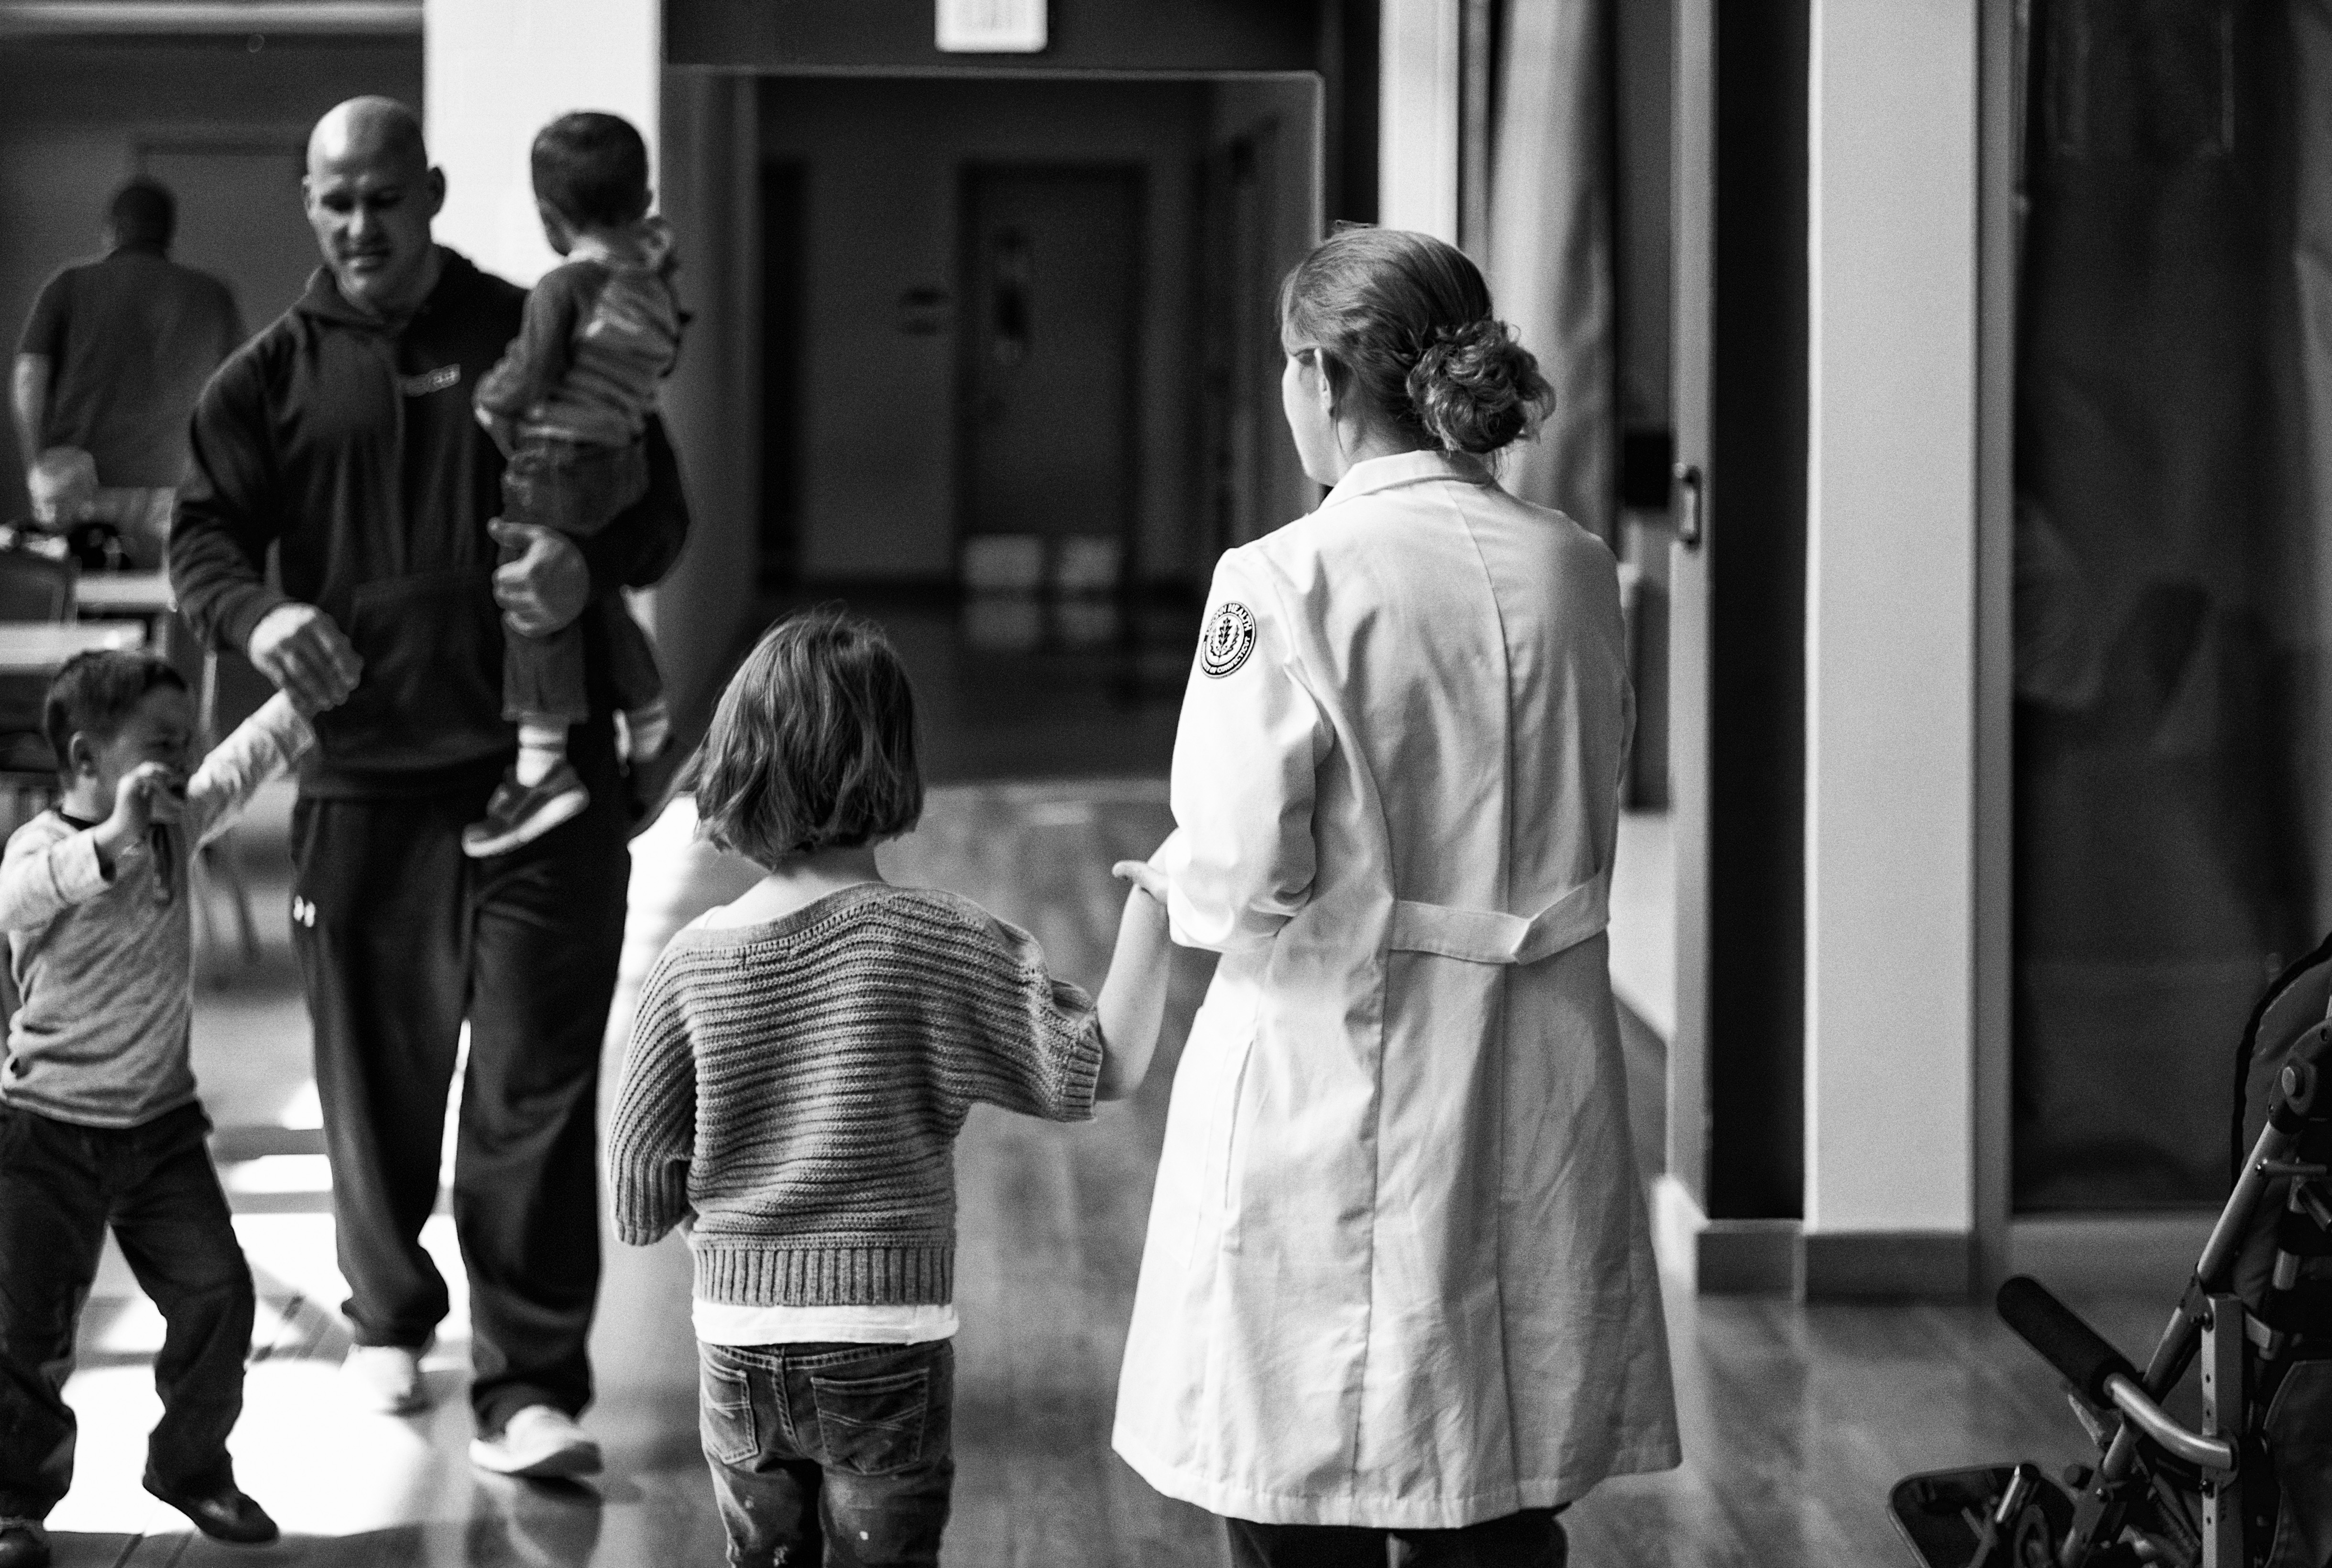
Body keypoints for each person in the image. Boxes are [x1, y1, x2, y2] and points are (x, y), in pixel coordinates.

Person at [1111, 227, 1682, 1567]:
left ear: (1318, 374)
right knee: (1497, 1452)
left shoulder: (1280, 581)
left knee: (1293, 1465)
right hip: (1534, 1048)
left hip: (1334, 1042)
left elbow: (1250, 864)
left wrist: (1166, 888)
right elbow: (1589, 792)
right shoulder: (1573, 564)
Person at [167, 96, 690, 1479]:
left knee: (530, 1091)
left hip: (543, 787)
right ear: (307, 202)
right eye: (334, 200)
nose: (360, 225)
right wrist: (254, 617)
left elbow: (656, 508)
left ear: (434, 191)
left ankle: (528, 1385)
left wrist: (592, 566)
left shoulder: (534, 329)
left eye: (384, 197)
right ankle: (390, 1311)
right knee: (376, 1084)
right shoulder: (268, 378)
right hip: (363, 786)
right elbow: (203, 533)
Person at [608, 609, 1171, 1568]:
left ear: (738, 762)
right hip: (885, 1340)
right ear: (893, 764)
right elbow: (1101, 1062)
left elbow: (636, 1200)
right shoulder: (935, 939)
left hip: (737, 1343)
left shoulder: (686, 966)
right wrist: (1155, 904)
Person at [0, 652, 317, 1568]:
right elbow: (19, 896)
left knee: (217, 1293)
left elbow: (244, 764)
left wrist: (305, 699)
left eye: (186, 742)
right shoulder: (42, 847)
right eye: (160, 747)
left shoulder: (180, 824)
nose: (182, 762)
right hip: (45, 1131)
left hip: (160, 1129)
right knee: (28, 1336)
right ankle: (15, 1504)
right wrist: (112, 838)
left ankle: (190, 1465)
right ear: (87, 761)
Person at [465, 110, 680, 858]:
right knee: (592, 595)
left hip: (557, 462)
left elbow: (529, 373)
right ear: (643, 195)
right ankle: (651, 724)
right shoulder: (651, 288)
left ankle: (540, 767)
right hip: (622, 461)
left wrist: (489, 404)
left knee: (532, 601)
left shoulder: (566, 286)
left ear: (551, 217)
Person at [11, 179, 242, 553]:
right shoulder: (214, 296)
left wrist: (38, 468)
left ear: (112, 230)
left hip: (83, 489)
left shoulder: (69, 286)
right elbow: (238, 395)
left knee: (84, 601)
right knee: (168, 602)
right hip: (180, 490)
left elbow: (28, 379)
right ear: (168, 232)